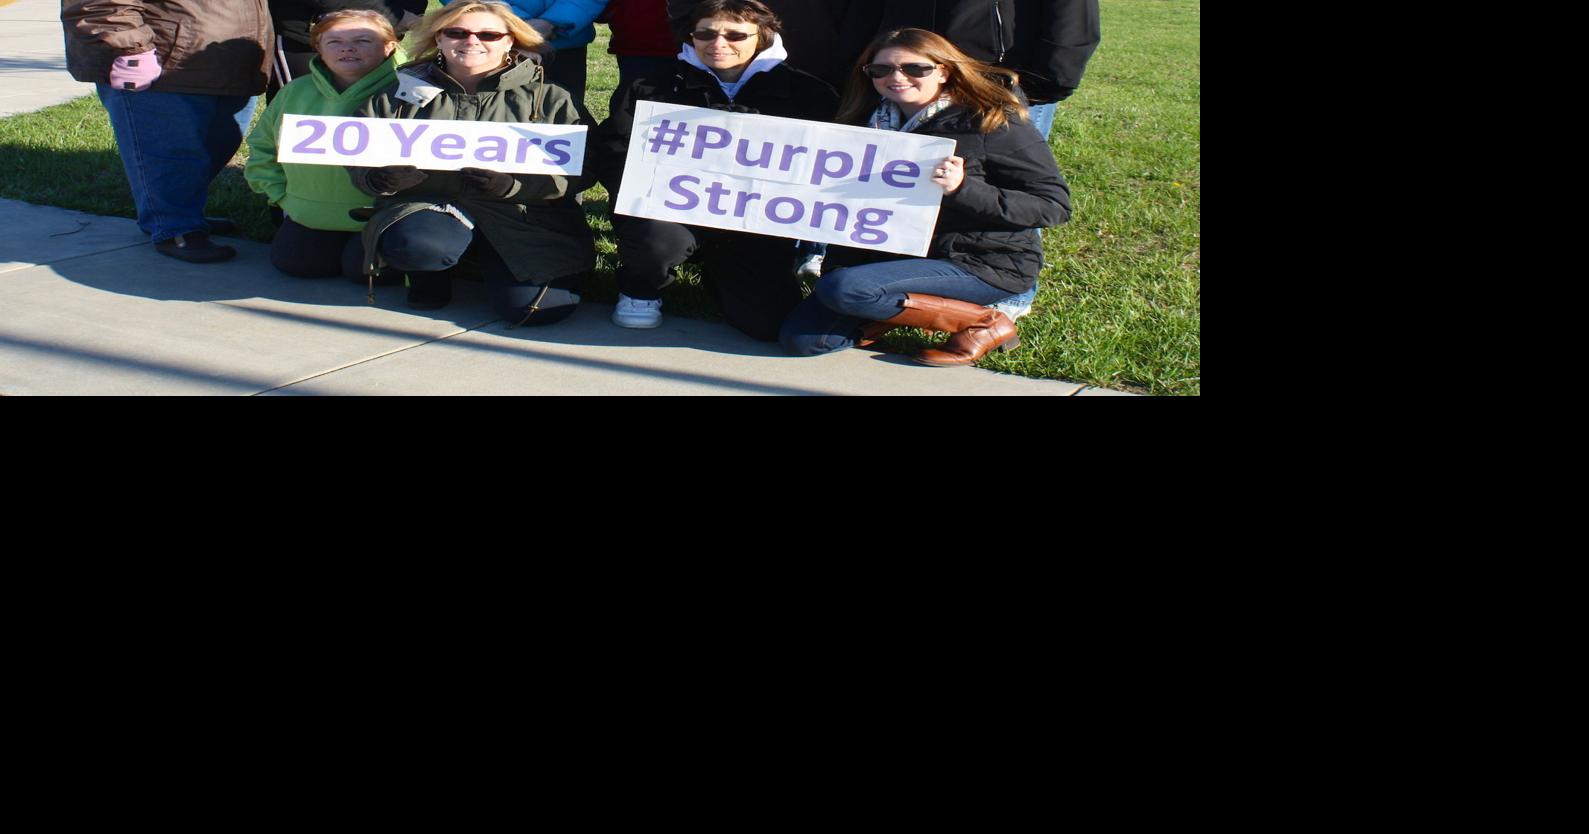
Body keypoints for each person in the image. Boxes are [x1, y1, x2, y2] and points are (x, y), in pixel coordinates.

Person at [779, 28, 1070, 366]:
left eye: (915, 69)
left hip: (976, 261)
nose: (897, 77)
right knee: (804, 341)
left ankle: (982, 321)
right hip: (890, 254)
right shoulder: (865, 121)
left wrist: (963, 189)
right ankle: (889, 309)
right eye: (881, 70)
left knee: (844, 290)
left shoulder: (991, 121)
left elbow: (1054, 205)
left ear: (944, 71)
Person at [839, 1, 1101, 320]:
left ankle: (1003, 304)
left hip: (997, 76)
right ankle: (901, 280)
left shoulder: (999, 115)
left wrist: (1048, 80)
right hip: (903, 68)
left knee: (1006, 186)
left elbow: (1072, 14)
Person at [594, 0, 837, 338]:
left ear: (763, 36)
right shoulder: (652, 85)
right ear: (690, 36)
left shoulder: (808, 92)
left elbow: (826, 165)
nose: (718, 43)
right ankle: (642, 286)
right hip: (669, 213)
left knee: (769, 324)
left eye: (735, 34)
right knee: (656, 240)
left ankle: (721, 271)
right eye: (705, 33)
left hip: (755, 219)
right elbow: (613, 147)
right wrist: (641, 189)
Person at [350, 2, 596, 325]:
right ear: (439, 39)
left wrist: (513, 185)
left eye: (489, 34)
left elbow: (584, 168)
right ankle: (430, 275)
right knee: (415, 246)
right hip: (432, 206)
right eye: (456, 32)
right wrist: (380, 179)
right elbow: (355, 152)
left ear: (510, 41)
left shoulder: (550, 98)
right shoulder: (399, 92)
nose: (471, 41)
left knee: (534, 311)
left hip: (523, 214)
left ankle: (481, 257)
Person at [62, 0, 274, 263]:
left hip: (224, 62)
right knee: (168, 153)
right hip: (164, 63)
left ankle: (181, 213)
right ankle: (175, 227)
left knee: (216, 145)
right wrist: (130, 47)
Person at [245, 9, 401, 281]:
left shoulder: (411, 91)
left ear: (390, 46)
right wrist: (282, 196)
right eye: (335, 41)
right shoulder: (295, 91)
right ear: (318, 47)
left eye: (363, 40)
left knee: (364, 273)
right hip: (311, 213)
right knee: (300, 265)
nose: (348, 49)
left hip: (381, 217)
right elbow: (263, 148)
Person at [442, 0, 609, 105]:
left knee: (562, 116)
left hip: (563, 46)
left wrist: (553, 21)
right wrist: (513, 24)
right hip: (487, 40)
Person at [266, 1, 427, 100]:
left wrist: (409, 11)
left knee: (377, 102)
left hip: (383, 32)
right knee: (300, 104)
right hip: (309, 37)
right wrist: (397, 16)